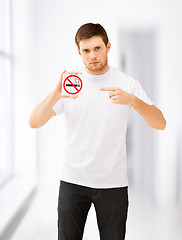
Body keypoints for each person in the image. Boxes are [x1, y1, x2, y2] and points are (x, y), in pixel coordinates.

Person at [29, 23, 166, 240]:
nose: (92, 55)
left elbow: (160, 123)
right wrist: (55, 94)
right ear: (79, 52)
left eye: (97, 48)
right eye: (86, 50)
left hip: (113, 184)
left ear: (108, 46)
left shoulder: (127, 84)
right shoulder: (71, 85)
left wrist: (132, 101)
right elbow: (34, 122)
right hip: (73, 181)